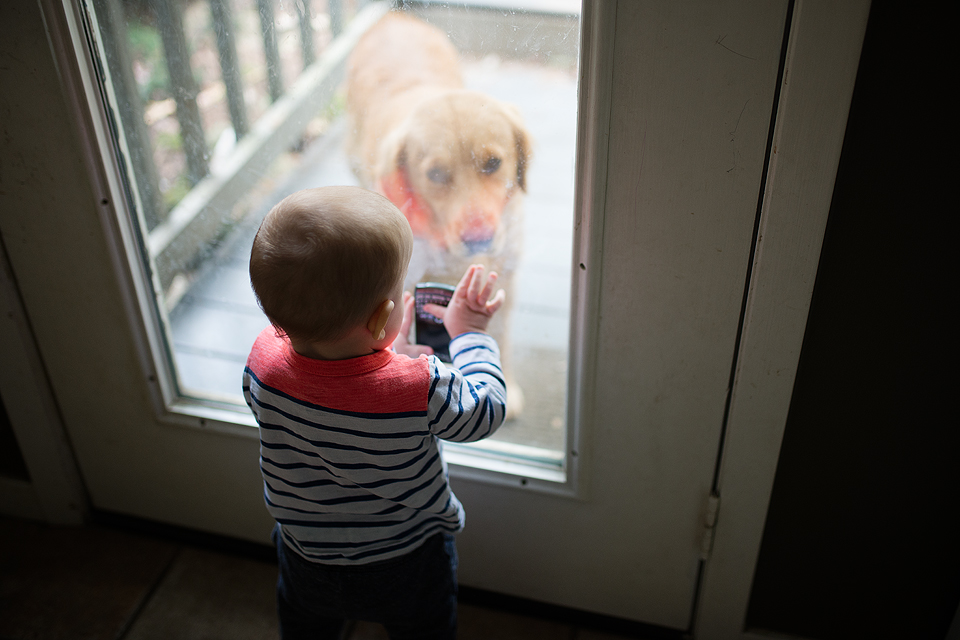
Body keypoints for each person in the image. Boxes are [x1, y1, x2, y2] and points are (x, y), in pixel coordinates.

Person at [242, 186, 507, 640]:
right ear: (383, 317)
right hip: (406, 561)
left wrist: (383, 350)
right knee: (423, 629)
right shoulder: (420, 386)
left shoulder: (262, 362)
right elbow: (484, 411)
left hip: (307, 554)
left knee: (306, 623)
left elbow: (331, 396)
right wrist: (470, 335)